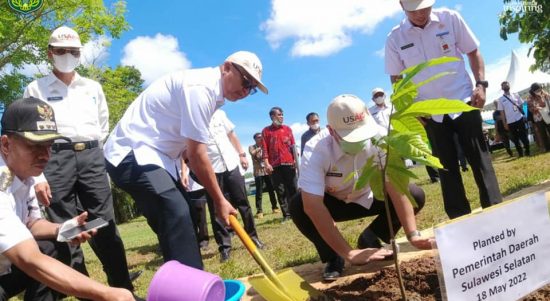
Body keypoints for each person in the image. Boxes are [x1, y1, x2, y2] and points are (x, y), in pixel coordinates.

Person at [103, 50, 268, 270]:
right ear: (227, 67)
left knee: (180, 219)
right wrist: (219, 200)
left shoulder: (212, 95)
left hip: (157, 158)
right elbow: (198, 155)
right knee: (175, 210)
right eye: (246, 81)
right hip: (131, 153)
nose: (246, 91)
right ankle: (191, 289)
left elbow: (186, 150)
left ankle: (185, 285)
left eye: (252, 88)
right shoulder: (201, 88)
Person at [23, 26, 135, 290]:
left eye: (73, 51)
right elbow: (29, 134)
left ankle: (121, 287)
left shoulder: (92, 87)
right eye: (61, 51)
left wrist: (93, 153)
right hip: (54, 158)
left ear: (80, 54)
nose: (67, 55)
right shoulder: (35, 89)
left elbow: (103, 125)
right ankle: (82, 289)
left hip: (92, 157)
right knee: (64, 226)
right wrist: (38, 176)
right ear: (50, 53)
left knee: (104, 222)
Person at [0, 97, 134, 301]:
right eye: (35, 146)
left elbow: (30, 222)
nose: (45, 155)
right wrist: (106, 293)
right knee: (41, 258)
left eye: (49, 146)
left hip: (6, 267)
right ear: (6, 145)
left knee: (55, 246)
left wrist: (60, 229)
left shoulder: (24, 175)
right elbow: (30, 260)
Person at [290, 94, 432, 282]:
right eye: (350, 136)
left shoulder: (380, 137)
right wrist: (349, 253)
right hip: (335, 203)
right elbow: (313, 205)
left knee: (414, 194)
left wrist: (413, 235)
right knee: (299, 206)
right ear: (331, 131)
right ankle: (334, 256)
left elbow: (396, 187)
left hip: (371, 195)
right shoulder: (316, 149)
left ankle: (372, 237)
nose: (359, 140)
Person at [385, 0, 502, 219]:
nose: (421, 13)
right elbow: (396, 78)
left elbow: (473, 51)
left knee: (479, 158)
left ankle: (495, 210)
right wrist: (410, 109)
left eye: (425, 7)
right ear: (402, 5)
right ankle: (459, 218)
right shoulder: (395, 38)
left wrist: (481, 84)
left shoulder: (450, 19)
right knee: (445, 166)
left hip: (463, 100)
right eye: (414, 9)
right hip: (430, 112)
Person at [195, 109, 265, 262]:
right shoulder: (194, 116)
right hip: (211, 169)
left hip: (231, 164)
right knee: (215, 210)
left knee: (243, 203)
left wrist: (241, 154)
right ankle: (224, 248)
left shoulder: (220, 113)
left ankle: (253, 238)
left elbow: (232, 135)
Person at [261, 107, 297, 222]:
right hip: (274, 166)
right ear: (272, 117)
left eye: (282, 114)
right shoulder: (266, 131)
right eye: (279, 115)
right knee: (280, 190)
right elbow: (264, 148)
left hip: (289, 162)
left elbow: (293, 146)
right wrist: (267, 164)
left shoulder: (287, 129)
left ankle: (298, 212)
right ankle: (287, 215)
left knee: (293, 188)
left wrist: (295, 160)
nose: (282, 116)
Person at [249, 133, 279, 219]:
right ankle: (259, 211)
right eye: (259, 137)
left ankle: (275, 207)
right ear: (255, 139)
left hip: (267, 171)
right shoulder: (252, 147)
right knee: (259, 192)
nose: (261, 138)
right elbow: (252, 153)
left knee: (271, 190)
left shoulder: (266, 146)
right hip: (258, 172)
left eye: (261, 137)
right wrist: (261, 147)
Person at [497, 81, 530, 157]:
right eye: (504, 85)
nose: (506, 86)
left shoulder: (516, 95)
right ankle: (520, 153)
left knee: (524, 136)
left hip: (519, 118)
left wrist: (523, 114)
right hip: (510, 122)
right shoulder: (500, 99)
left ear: (509, 86)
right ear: (502, 88)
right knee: (515, 139)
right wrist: (504, 123)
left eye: (507, 84)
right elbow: (502, 113)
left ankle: (527, 151)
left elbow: (521, 104)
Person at [527, 83, 550, 152]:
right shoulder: (530, 98)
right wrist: (536, 108)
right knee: (543, 133)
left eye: (540, 89)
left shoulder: (545, 94)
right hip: (538, 118)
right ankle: (547, 148)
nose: (539, 91)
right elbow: (530, 108)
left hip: (548, 115)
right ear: (533, 91)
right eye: (537, 90)